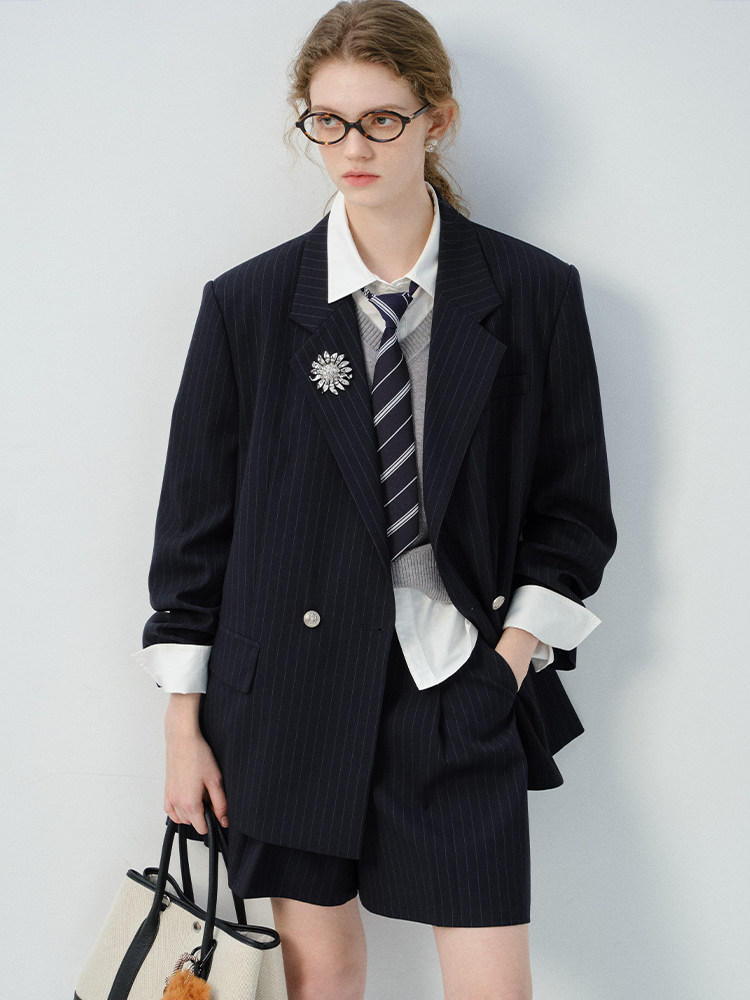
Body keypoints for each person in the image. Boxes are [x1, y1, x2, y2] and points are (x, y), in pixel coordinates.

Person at [133, 2, 616, 997]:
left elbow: (573, 511)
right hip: (287, 697)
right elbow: (193, 531)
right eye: (328, 121)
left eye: (382, 120)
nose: (352, 148)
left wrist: (507, 665)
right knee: (323, 979)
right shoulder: (249, 305)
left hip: (458, 686)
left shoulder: (531, 292)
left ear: (437, 119)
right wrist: (183, 727)